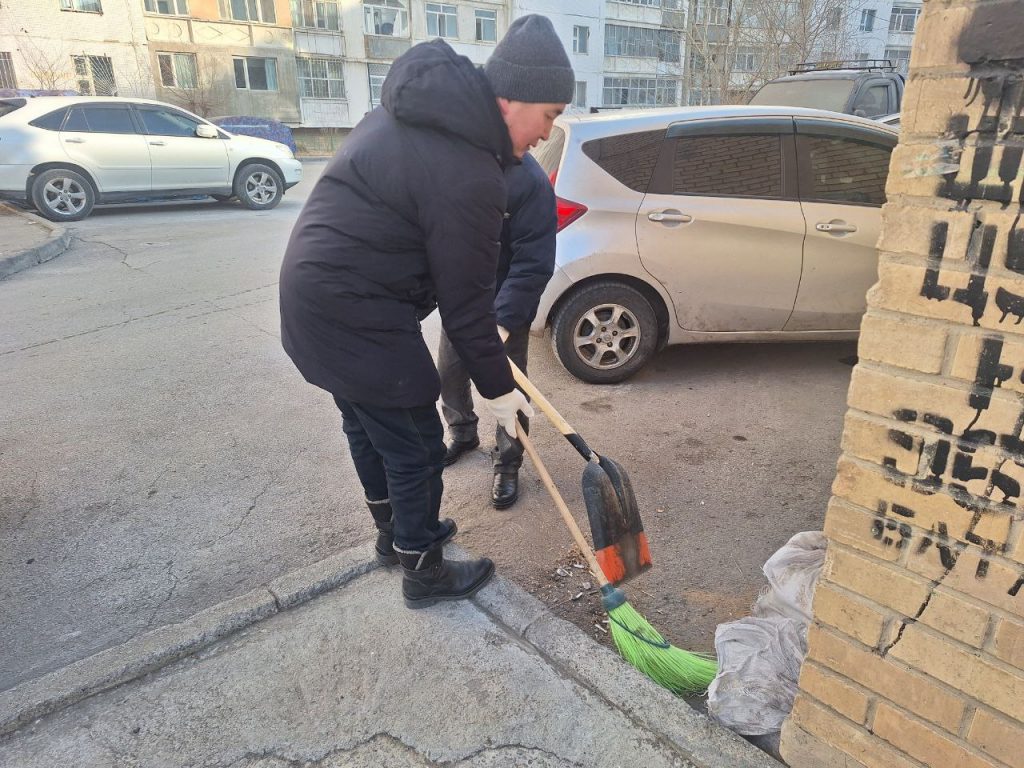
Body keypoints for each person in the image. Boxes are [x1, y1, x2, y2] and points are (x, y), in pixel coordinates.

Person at [279, 15, 573, 609]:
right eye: (548, 115)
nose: (547, 134)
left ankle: (396, 536)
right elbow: (466, 307)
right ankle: (423, 568)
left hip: (313, 298)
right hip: (356, 311)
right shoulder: (467, 170)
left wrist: (492, 375)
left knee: (367, 425)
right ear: (511, 99)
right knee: (415, 444)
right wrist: (499, 390)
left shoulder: (420, 115)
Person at [438, 153, 556, 510]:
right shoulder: (458, 161)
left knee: (509, 386)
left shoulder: (530, 181)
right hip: (461, 300)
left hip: (506, 304)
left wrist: (502, 323)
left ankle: (508, 460)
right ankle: (462, 432)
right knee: (449, 375)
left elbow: (533, 262)